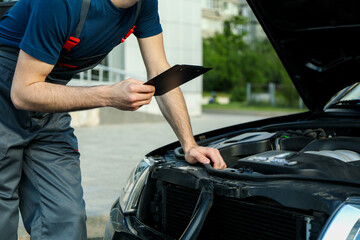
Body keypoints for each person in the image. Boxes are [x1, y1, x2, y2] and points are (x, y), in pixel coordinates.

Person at [0, 0, 226, 239]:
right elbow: (23, 93)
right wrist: (108, 95)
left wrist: (189, 144)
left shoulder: (143, 4)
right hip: (11, 86)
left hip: (46, 93)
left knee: (65, 218)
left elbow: (160, 69)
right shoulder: (61, 3)